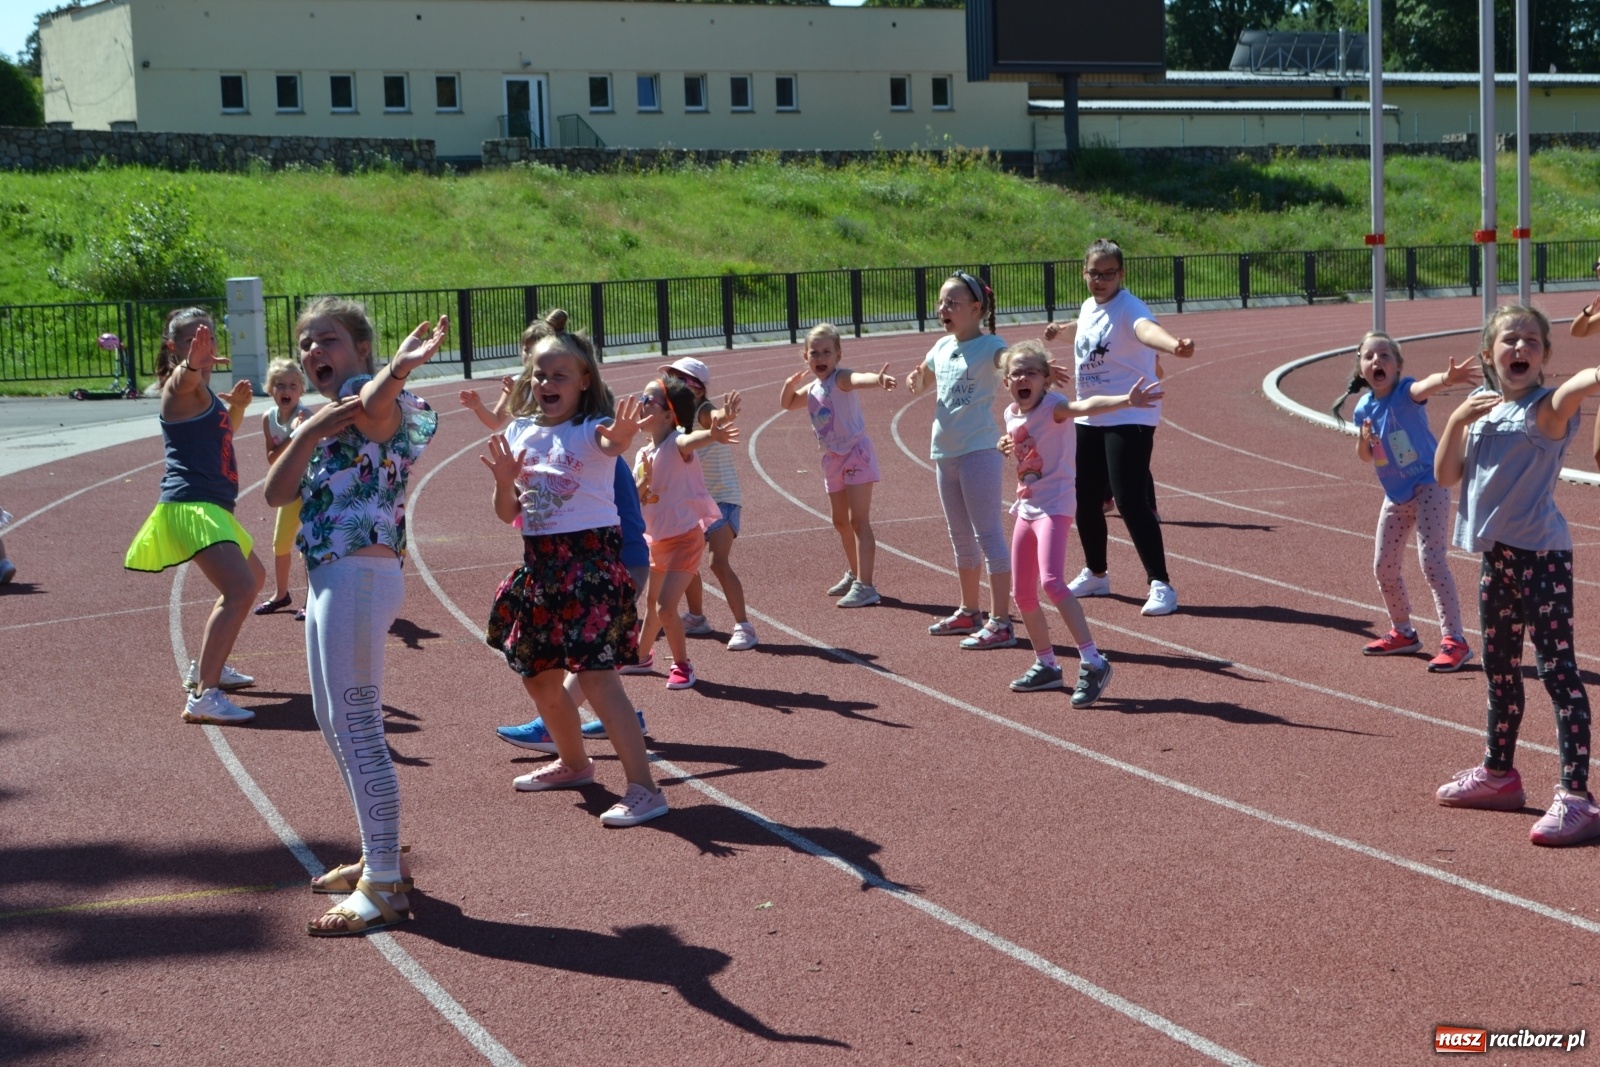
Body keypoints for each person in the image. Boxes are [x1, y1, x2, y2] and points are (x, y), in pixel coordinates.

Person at [264, 298, 445, 935]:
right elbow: (274, 493)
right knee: (331, 719)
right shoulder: (320, 417)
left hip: (361, 578)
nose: (315, 350)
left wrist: (396, 370)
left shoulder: (385, 407)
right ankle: (378, 857)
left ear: (362, 350)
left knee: (360, 726)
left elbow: (372, 410)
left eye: (330, 339)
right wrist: (309, 431)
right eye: (307, 342)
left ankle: (387, 883)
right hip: (328, 579)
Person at [479, 317, 668, 826]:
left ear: (585, 380)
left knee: (598, 677)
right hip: (540, 567)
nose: (547, 384)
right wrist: (502, 482)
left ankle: (645, 789)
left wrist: (622, 436)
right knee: (538, 677)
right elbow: (507, 513)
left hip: (589, 566)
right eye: (540, 375)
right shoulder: (519, 431)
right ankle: (575, 763)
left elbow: (610, 446)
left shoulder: (592, 431)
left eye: (560, 375)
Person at [1433, 304, 1600, 847]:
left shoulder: (1544, 411)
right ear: (1489, 355)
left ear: (1545, 356)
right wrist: (1458, 418)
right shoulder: (1481, 413)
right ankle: (1499, 774)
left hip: (1542, 559)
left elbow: (1577, 386)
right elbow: (1445, 474)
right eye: (1510, 340)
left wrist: (1592, 374)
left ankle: (1577, 796)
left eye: (1532, 341)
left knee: (1558, 673)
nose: (1520, 349)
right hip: (1497, 559)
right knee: (1500, 671)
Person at [998, 341, 1161, 703]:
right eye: (1016, 373)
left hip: (1055, 505)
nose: (1022, 378)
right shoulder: (1011, 412)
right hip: (1026, 507)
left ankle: (1093, 660)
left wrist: (1125, 401)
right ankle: (1047, 665)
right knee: (1022, 593)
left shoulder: (1055, 408)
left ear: (1045, 380)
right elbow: (1018, 441)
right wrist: (1003, 445)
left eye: (1031, 372)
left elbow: (1085, 406)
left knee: (1052, 582)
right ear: (1006, 381)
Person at [908, 271, 1061, 650]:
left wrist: (1040, 368)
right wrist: (914, 379)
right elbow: (924, 378)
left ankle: (1001, 621)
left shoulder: (990, 345)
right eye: (941, 302)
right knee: (959, 537)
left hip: (978, 450)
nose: (944, 308)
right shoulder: (941, 347)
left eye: (953, 303)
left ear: (976, 309)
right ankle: (968, 610)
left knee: (988, 534)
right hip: (945, 452)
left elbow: (1010, 360)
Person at [124, 307, 262, 724]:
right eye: (191, 340)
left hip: (212, 505)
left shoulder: (206, 393)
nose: (205, 346)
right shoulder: (178, 387)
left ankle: (207, 666)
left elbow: (221, 437)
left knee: (252, 579)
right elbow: (183, 379)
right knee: (239, 588)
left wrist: (235, 407)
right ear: (173, 347)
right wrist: (189, 365)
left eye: (209, 339)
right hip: (190, 506)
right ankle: (205, 696)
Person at [1044, 239, 1193, 617]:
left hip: (1132, 414)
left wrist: (1174, 345)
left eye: (1109, 274)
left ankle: (1161, 584)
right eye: (1095, 273)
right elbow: (1086, 326)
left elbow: (1146, 331)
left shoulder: (1131, 307)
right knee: (1084, 499)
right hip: (1090, 415)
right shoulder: (1090, 305)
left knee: (1129, 500)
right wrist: (1061, 331)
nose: (1101, 280)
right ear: (1084, 273)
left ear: (1121, 275)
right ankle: (1096, 573)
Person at [1349, 332, 1478, 671]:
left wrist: (1447, 378)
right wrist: (1364, 439)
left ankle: (1456, 641)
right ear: (1361, 368)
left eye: (1385, 356)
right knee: (1383, 567)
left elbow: (1426, 387)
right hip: (1395, 494)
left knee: (1432, 562)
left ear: (1398, 366)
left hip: (1429, 486)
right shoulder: (1363, 407)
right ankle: (1403, 631)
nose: (1377, 361)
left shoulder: (1406, 392)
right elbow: (1365, 456)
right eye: (1369, 357)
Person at [628, 376, 739, 689]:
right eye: (641, 396)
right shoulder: (641, 455)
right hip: (657, 540)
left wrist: (713, 433)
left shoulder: (676, 443)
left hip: (684, 539)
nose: (640, 402)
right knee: (650, 607)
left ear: (668, 415)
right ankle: (640, 656)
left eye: (648, 400)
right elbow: (638, 497)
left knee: (664, 607)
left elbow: (692, 441)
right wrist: (641, 484)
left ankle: (682, 665)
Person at [777, 323, 896, 608]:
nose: (820, 358)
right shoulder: (814, 387)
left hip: (855, 454)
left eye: (826, 352)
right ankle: (854, 573)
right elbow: (788, 403)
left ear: (838, 355)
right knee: (840, 521)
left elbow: (858, 379)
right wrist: (788, 385)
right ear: (805, 356)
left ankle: (866, 586)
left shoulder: (840, 378)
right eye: (814, 353)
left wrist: (877, 380)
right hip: (831, 458)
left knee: (858, 519)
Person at [665, 358, 758, 652]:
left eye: (680, 381)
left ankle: (744, 625)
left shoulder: (702, 410)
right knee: (686, 564)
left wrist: (726, 415)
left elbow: (714, 418)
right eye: (670, 380)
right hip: (693, 501)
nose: (673, 386)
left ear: (698, 389)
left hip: (722, 498)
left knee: (717, 561)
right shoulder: (674, 420)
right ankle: (696, 617)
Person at [254, 358, 312, 618]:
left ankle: (311, 599)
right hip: (288, 488)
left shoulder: (307, 417)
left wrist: (302, 432)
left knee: (309, 544)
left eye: (292, 385)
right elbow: (272, 458)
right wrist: (292, 435)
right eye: (279, 385)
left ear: (301, 390)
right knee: (280, 544)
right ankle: (281, 594)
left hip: (312, 487)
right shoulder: (269, 418)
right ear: (270, 389)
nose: (285, 391)